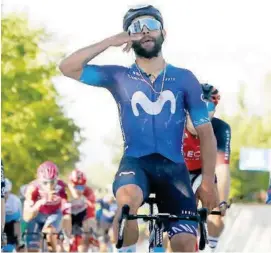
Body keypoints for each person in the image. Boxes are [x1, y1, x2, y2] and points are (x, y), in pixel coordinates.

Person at [59, 4, 218, 252]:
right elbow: (67, 67)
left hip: (174, 169)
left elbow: (206, 134)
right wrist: (109, 41)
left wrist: (208, 180)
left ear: (164, 32)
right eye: (136, 28)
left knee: (186, 243)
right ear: (128, 37)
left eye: (151, 26)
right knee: (126, 202)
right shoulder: (119, 76)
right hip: (135, 164)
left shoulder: (185, 78)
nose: (145, 32)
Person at [184, 83, 231, 250]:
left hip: (204, 171)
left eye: (207, 108)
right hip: (177, 171)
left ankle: (212, 246)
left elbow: (222, 168)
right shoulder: (175, 123)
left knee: (216, 211)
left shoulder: (220, 129)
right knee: (180, 224)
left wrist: (223, 202)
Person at [23, 161, 71, 252]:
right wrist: (38, 203)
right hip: (37, 215)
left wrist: (68, 236)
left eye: (53, 182)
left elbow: (67, 214)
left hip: (54, 214)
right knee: (32, 249)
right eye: (45, 183)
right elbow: (26, 217)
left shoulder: (62, 187)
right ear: (39, 180)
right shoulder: (32, 188)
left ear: (57, 179)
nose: (49, 186)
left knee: (50, 233)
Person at [68, 169, 97, 252]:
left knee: (90, 223)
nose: (79, 190)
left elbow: (91, 210)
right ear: (70, 184)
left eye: (81, 187)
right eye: (75, 186)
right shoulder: (65, 191)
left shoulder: (88, 191)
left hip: (82, 218)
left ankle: (89, 241)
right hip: (68, 218)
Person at [3, 178, 23, 252]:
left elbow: (20, 217)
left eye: (6, 193)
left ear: (9, 191)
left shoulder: (15, 200)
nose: (4, 195)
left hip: (13, 224)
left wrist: (19, 237)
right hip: (2, 223)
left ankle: (18, 244)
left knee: (19, 241)